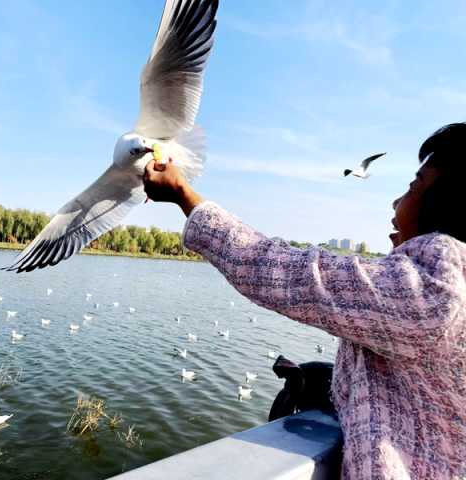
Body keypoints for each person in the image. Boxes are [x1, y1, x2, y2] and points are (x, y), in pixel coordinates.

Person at [142, 123, 466, 479]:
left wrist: (183, 194)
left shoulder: (436, 288)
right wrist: (339, 385)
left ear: (448, 204)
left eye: (413, 185)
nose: (395, 201)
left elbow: (288, 274)